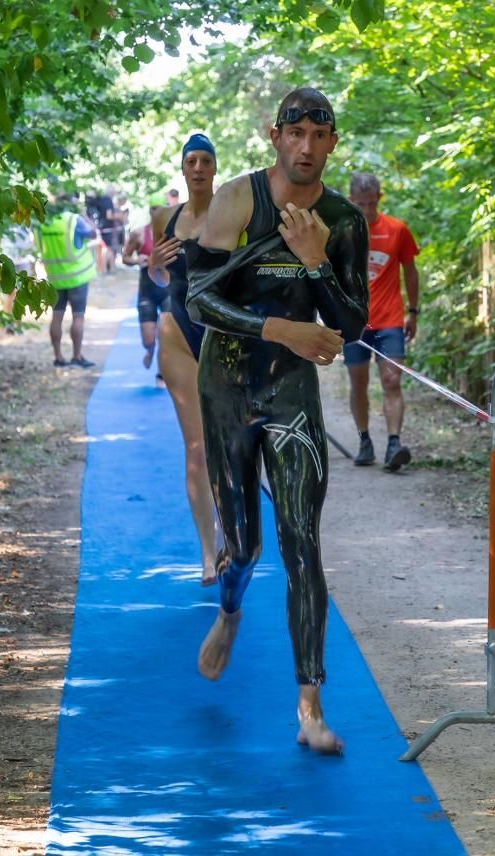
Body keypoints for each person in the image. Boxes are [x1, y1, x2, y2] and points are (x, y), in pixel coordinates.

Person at [186, 87, 368, 755]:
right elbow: (199, 300)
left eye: (319, 137)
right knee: (245, 544)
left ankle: (310, 707)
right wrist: (282, 327)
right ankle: (229, 609)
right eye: (295, 133)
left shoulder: (344, 220)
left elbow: (351, 324)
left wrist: (318, 262)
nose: (306, 148)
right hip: (228, 383)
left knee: (301, 539)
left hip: (289, 391)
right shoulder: (239, 201)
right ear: (275, 136)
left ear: (332, 143)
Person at [147, 134, 220, 585]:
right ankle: (208, 554)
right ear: (182, 168)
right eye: (190, 160)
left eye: (205, 160)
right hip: (177, 331)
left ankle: (236, 534)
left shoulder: (233, 211)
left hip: (222, 332)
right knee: (196, 448)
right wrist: (153, 263)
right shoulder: (163, 217)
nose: (197, 168)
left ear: (214, 168)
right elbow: (157, 276)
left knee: (228, 445)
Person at [343, 172, 420, 471]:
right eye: (361, 204)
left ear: (379, 199)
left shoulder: (397, 230)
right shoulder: (341, 232)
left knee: (392, 380)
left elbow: (411, 272)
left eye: (372, 204)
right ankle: (364, 441)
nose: (367, 210)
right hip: (355, 324)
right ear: (352, 201)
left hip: (389, 320)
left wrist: (413, 311)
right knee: (358, 383)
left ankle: (393, 444)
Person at [33, 193, 98, 368]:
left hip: (55, 278)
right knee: (78, 317)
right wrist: (84, 214)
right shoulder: (74, 221)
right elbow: (93, 234)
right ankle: (77, 356)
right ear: (72, 205)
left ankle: (58, 357)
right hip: (77, 278)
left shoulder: (44, 223)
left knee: (56, 317)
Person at [122, 209, 168, 381]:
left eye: (160, 208)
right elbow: (125, 257)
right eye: (154, 209)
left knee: (165, 334)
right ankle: (150, 350)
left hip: (167, 292)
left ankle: (162, 373)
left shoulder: (172, 233)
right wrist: (137, 261)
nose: (157, 212)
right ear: (150, 211)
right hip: (147, 293)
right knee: (148, 339)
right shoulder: (139, 234)